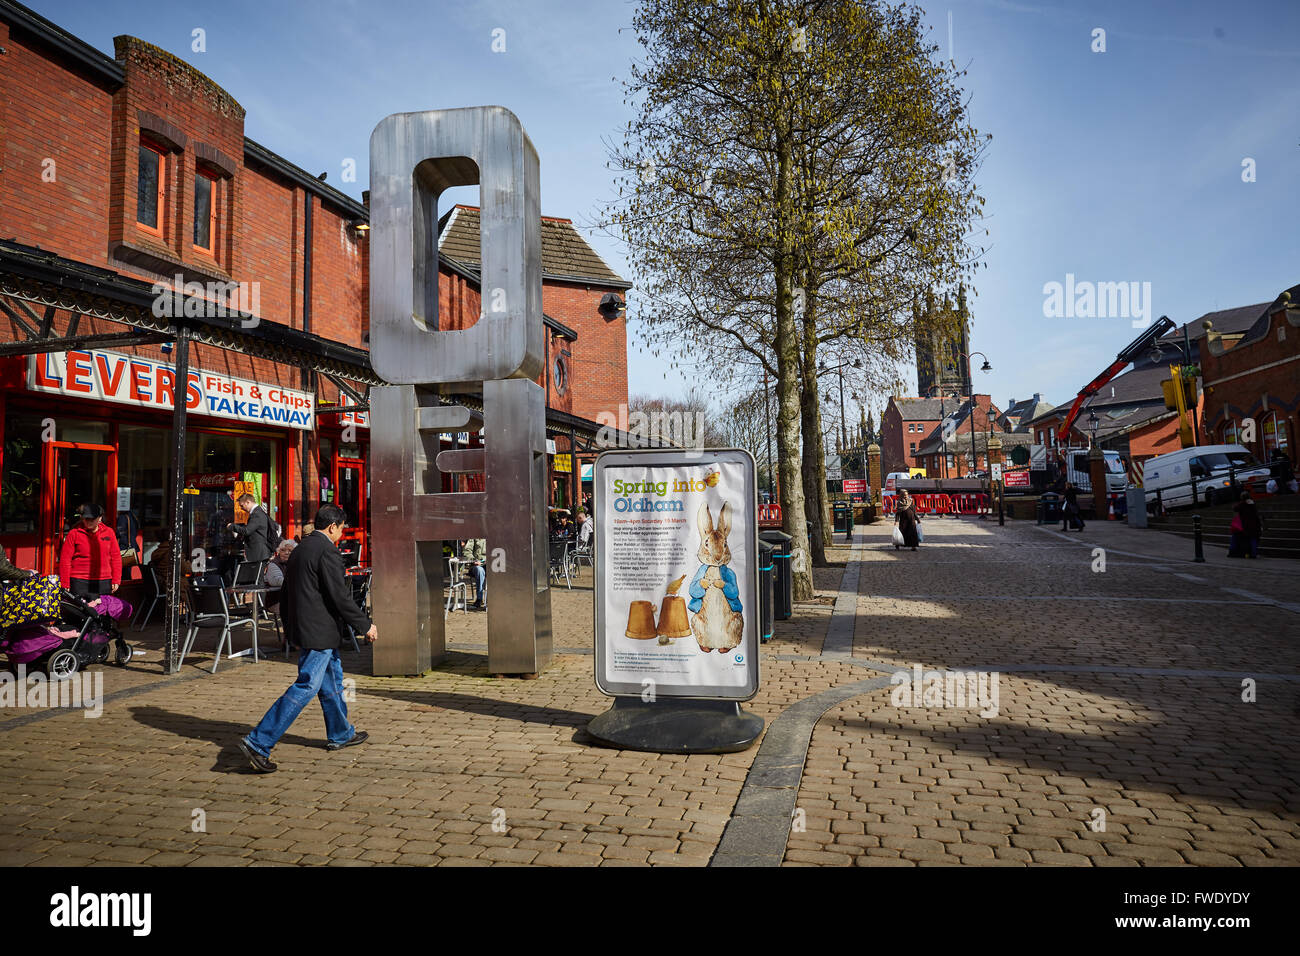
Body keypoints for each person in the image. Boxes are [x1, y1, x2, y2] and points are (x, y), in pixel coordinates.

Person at [238, 505, 377, 773]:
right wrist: (365, 625)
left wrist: (291, 630)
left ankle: (341, 733)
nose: (343, 532)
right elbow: (340, 596)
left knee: (333, 683)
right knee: (306, 686)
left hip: (308, 630)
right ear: (333, 527)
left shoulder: (301, 548)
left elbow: (288, 594)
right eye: (343, 527)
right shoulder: (328, 551)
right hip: (319, 632)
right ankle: (259, 742)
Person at [58, 503, 122, 597]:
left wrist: (116, 579)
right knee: (81, 610)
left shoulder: (109, 532)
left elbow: (116, 557)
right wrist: (65, 582)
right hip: (79, 580)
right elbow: (65, 559)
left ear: (100, 518)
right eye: (86, 519)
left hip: (103, 580)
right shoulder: (74, 533)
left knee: (102, 609)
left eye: (92, 519)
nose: (89, 522)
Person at [229, 493, 274, 562]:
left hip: (258, 554)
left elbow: (247, 531)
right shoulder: (257, 513)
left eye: (242, 505)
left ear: (248, 502)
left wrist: (232, 526)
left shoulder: (257, 514)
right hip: (259, 553)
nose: (241, 508)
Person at [263, 538, 298, 609]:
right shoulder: (273, 564)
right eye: (283, 550)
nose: (286, 553)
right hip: (278, 601)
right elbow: (276, 580)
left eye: (290, 551)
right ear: (278, 551)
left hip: (292, 599)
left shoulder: (296, 564)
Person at [1228, 492, 1263, 559]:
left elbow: (1235, 508)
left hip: (1247, 525)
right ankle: (1254, 553)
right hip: (1255, 524)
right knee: (1254, 539)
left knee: (1248, 539)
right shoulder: (1252, 503)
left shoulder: (1242, 504)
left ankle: (1247, 553)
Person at [461, 537, 486, 609]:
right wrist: (474, 560)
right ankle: (479, 598)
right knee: (479, 570)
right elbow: (467, 551)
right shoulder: (475, 536)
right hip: (476, 565)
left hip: (491, 564)